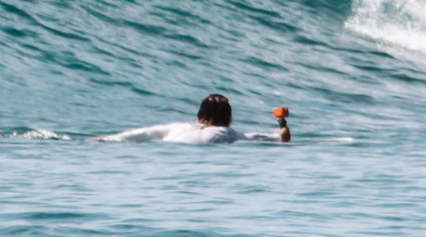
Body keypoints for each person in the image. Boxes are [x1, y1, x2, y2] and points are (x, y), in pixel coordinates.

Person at [91, 96, 292, 143]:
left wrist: (104, 139)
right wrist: (282, 126)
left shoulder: (175, 127)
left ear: (199, 114)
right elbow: (278, 138)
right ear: (229, 117)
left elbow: (138, 134)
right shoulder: (230, 134)